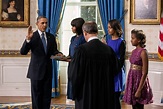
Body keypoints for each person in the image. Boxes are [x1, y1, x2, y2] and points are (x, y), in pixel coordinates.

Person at [70, 21, 119, 109]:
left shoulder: (81, 50)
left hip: (86, 95)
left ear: (84, 33)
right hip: (105, 94)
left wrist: (74, 93)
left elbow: (75, 74)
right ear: (97, 32)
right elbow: (115, 70)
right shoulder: (108, 50)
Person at [20, 16, 63, 109]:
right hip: (36, 72)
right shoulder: (32, 36)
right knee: (36, 97)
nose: (45, 25)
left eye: (46, 23)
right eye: (42, 23)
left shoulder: (51, 37)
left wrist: (59, 54)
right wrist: (28, 39)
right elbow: (23, 52)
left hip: (47, 71)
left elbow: (54, 51)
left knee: (47, 96)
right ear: (37, 24)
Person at [123, 29, 153, 109]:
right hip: (132, 79)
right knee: (134, 105)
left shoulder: (143, 52)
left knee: (138, 105)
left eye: (133, 38)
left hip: (139, 81)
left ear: (139, 40)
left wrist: (139, 89)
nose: (131, 40)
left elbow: (145, 72)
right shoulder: (133, 51)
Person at [105, 19, 126, 109]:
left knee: (115, 97)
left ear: (115, 28)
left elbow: (121, 60)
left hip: (116, 72)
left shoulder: (121, 42)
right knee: (108, 97)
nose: (108, 30)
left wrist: (114, 71)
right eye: (108, 28)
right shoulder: (108, 42)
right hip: (108, 71)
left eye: (110, 27)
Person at [66, 18, 86, 100]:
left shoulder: (84, 39)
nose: (72, 28)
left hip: (79, 66)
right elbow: (71, 52)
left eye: (73, 26)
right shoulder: (73, 38)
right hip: (71, 64)